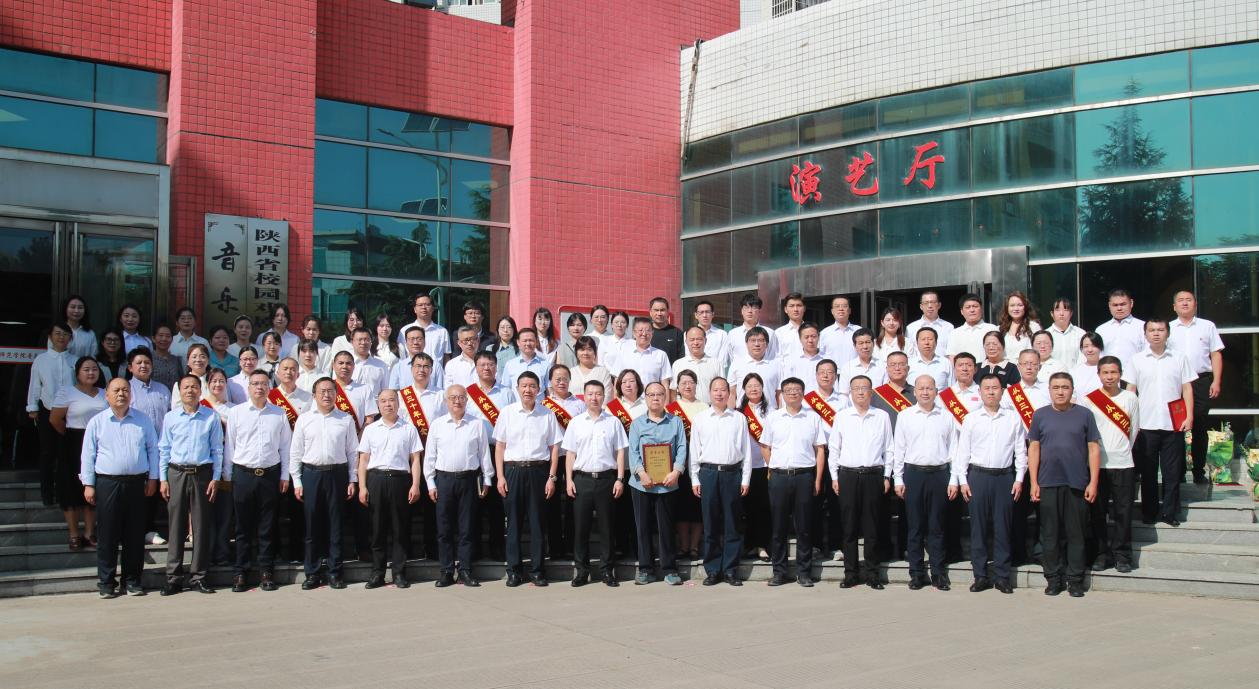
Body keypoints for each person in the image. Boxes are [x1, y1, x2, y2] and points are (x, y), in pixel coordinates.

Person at [80, 377, 159, 598]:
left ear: (131, 395)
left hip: (137, 483)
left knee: (135, 534)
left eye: (125, 390)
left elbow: (153, 450)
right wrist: (88, 484)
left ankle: (132, 581)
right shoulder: (97, 422)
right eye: (116, 390)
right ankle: (106, 582)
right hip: (107, 483)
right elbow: (88, 454)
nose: (121, 394)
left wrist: (153, 478)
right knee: (108, 535)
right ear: (107, 395)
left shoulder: (143, 420)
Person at [1028, 372, 1101, 598]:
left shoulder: (1085, 414)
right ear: (1049, 390)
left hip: (1076, 483)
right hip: (1048, 482)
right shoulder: (1040, 415)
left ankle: (1075, 580)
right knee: (1050, 534)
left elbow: (1093, 449)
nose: (1060, 392)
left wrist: (1093, 482)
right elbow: (1034, 448)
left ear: (1072, 390)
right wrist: (1033, 482)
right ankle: (1053, 579)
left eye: (1065, 387)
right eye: (1056, 387)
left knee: (1076, 534)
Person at [953, 373, 1027, 594]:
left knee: (1003, 527)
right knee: (978, 528)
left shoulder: (1013, 418)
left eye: (995, 388)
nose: (991, 392)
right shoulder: (971, 419)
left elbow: (1020, 452)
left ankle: (1002, 576)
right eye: (987, 388)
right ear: (980, 392)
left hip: (1004, 478)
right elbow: (962, 452)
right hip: (978, 477)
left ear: (1002, 391)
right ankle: (980, 575)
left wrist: (1019, 479)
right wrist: (963, 480)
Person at [223, 370, 293, 593]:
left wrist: (284, 475)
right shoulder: (237, 413)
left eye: (263, 383)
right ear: (249, 387)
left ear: (269, 387)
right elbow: (230, 446)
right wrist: (228, 476)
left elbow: (286, 447)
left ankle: (266, 571)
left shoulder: (279, 413)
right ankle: (240, 572)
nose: (259, 387)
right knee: (242, 527)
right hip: (243, 475)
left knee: (267, 526)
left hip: (270, 475)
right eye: (255, 383)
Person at [494, 371, 563, 586]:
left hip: (538, 472)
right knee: (513, 524)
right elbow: (500, 446)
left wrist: (552, 477)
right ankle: (514, 570)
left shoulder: (547, 414)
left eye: (532, 386)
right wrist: (500, 477)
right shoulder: (507, 413)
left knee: (537, 523)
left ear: (539, 389)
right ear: (517, 388)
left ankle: (537, 571)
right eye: (524, 386)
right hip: (513, 471)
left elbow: (554, 448)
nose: (528, 390)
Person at [288, 377, 357, 590]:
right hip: (311, 475)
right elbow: (295, 452)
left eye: (330, 391)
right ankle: (312, 572)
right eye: (322, 391)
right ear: (314, 395)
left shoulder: (345, 419)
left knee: (336, 526)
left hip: (337, 474)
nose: (327, 395)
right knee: (312, 526)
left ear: (336, 394)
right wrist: (297, 480)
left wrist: (352, 479)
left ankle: (335, 572)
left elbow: (352, 452)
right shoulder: (304, 419)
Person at [158, 374, 223, 595]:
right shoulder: (171, 417)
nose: (190, 391)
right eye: (186, 387)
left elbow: (217, 449)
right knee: (176, 526)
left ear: (200, 390)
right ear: (180, 391)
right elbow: (164, 449)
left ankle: (199, 577)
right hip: (176, 472)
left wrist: (216, 477)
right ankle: (173, 577)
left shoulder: (211, 417)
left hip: (202, 474)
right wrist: (163, 478)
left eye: (194, 387)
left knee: (201, 526)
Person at [1128, 318, 1196, 527]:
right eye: (1152, 330)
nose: (1156, 333)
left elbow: (1187, 389)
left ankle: (1169, 513)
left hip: (1173, 424)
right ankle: (1149, 512)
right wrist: (1129, 420)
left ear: (1168, 333)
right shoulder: (1137, 360)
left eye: (1160, 329)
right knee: (1148, 473)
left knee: (1172, 473)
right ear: (1145, 334)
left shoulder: (1179, 358)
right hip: (1145, 425)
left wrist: (1189, 416)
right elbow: (1130, 391)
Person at [759, 377, 826, 587]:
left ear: (803, 393)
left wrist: (817, 479)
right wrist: (773, 466)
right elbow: (765, 446)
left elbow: (820, 449)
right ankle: (779, 572)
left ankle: (804, 572)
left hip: (804, 476)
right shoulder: (774, 418)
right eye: (788, 390)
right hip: (779, 477)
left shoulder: (813, 417)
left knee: (804, 527)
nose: (793, 393)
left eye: (797, 389)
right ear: (782, 394)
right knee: (778, 527)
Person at [892, 375, 956, 591]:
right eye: (921, 388)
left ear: (936, 391)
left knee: (937, 526)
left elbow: (953, 450)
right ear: (915, 392)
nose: (925, 392)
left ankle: (938, 573)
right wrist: (898, 478)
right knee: (915, 526)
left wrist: (954, 479)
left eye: (929, 388)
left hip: (940, 475)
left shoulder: (946, 417)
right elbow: (899, 449)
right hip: (914, 475)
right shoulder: (905, 416)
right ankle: (916, 573)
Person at [829, 375, 893, 590]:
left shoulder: (882, 416)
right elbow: (834, 449)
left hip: (873, 475)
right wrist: (834, 477)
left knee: (871, 526)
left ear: (871, 392)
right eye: (856, 388)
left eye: (864, 388)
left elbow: (889, 448)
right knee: (849, 528)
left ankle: (872, 573)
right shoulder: (842, 416)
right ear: (850, 392)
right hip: (847, 475)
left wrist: (887, 476)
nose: (860, 392)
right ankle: (850, 573)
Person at [426, 384, 494, 588]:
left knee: (467, 528)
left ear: (467, 400)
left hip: (468, 480)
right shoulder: (437, 424)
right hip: (444, 480)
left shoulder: (476, 424)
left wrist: (487, 478)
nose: (457, 401)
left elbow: (484, 453)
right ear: (446, 401)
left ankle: (465, 570)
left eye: (461, 397)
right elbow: (430, 456)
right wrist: (430, 482)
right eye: (453, 397)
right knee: (444, 528)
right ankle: (446, 571)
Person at [562, 379, 627, 587]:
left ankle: (607, 571)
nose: (594, 398)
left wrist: (619, 479)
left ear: (604, 396)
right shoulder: (576, 422)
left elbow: (620, 452)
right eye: (590, 394)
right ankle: (582, 571)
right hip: (582, 480)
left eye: (598, 393)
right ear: (584, 396)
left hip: (607, 480)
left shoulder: (613, 422)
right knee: (581, 528)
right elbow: (570, 454)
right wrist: (569, 480)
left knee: (607, 528)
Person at [357, 387, 423, 589]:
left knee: (399, 528)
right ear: (378, 405)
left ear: (398, 403)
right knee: (377, 529)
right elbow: (363, 460)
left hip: (400, 480)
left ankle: (399, 573)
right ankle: (377, 573)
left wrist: (415, 484)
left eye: (392, 400)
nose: (388, 404)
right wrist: (362, 486)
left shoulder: (408, 428)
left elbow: (415, 459)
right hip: (376, 480)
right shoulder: (370, 429)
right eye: (384, 401)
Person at [690, 377, 751, 586]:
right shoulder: (700, 418)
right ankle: (713, 570)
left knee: (732, 523)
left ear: (729, 393)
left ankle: (731, 570)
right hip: (708, 474)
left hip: (732, 474)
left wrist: (746, 478)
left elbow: (746, 451)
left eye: (723, 390)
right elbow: (694, 450)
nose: (719, 393)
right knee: (711, 523)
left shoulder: (738, 418)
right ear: (709, 393)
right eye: (715, 390)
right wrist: (694, 478)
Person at [1082, 356, 1140, 574]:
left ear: (1120, 374)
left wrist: (1122, 449)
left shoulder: (1130, 398)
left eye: (1113, 372)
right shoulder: (1089, 400)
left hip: (1123, 463)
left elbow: (1134, 430)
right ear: (1098, 374)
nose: (1109, 377)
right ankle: (1100, 554)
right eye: (1105, 372)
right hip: (1097, 465)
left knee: (1123, 512)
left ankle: (1122, 555)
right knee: (1097, 512)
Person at [627, 382, 688, 585]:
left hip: (668, 483)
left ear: (665, 397)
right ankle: (645, 569)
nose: (655, 398)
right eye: (651, 395)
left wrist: (677, 471)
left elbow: (682, 447)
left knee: (666, 527)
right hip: (641, 484)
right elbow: (633, 452)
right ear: (645, 398)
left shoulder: (676, 422)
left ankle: (669, 569)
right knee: (643, 527)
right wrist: (641, 473)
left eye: (659, 394)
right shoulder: (637, 424)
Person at [1168, 290, 1225, 484]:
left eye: (1188, 300)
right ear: (1174, 306)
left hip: (1201, 381)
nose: (1185, 303)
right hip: (1176, 383)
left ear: (1195, 304)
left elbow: (1216, 354)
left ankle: (1199, 471)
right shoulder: (1168, 328)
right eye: (1180, 300)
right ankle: (1178, 471)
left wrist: (1216, 381)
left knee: (1199, 426)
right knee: (1177, 428)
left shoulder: (1207, 326)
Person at [49, 356, 105, 550]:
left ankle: (89, 533)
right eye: (86, 369)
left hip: (99, 444)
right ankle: (74, 534)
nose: (91, 373)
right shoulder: (67, 392)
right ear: (78, 373)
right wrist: (72, 437)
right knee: (70, 489)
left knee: (93, 487)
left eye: (94, 369)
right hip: (73, 443)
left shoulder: (104, 393)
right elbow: (55, 419)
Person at [465, 351, 516, 562]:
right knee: (473, 504)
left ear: (496, 367)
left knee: (497, 503)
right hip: (473, 453)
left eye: (490, 364)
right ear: (476, 368)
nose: (486, 368)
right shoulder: (468, 393)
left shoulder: (507, 393)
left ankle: (497, 549)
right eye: (482, 364)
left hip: (498, 451)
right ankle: (474, 550)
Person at [399, 351, 447, 560]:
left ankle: (432, 548)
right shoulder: (402, 396)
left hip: (431, 455)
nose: (422, 370)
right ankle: (406, 550)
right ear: (411, 369)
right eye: (418, 366)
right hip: (406, 457)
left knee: (431, 503)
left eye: (426, 366)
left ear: (432, 370)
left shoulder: (440, 395)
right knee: (406, 504)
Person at [125, 347, 173, 546]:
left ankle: (150, 530)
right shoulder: (125, 389)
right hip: (137, 449)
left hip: (162, 448)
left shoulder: (163, 389)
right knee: (139, 491)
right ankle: (135, 530)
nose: (144, 366)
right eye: (139, 363)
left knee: (158, 488)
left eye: (147, 363)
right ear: (130, 367)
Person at [29, 322, 76, 506]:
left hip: (70, 412)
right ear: (50, 337)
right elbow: (35, 385)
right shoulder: (41, 360)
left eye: (65, 334)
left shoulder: (75, 360)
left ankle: (63, 492)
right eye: (57, 333)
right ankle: (47, 494)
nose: (61, 337)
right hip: (47, 408)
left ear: (70, 338)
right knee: (47, 452)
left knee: (65, 454)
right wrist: (32, 407)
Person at [542, 365, 585, 560]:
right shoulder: (544, 405)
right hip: (551, 458)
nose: (561, 382)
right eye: (557, 379)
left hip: (573, 458)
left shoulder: (579, 404)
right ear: (550, 381)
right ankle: (554, 547)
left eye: (565, 378)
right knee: (550, 502)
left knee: (572, 502)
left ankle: (570, 546)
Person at [668, 370, 708, 560]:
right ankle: (683, 546)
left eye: (691, 382)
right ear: (677, 386)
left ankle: (694, 546)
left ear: (696, 384)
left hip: (700, 463)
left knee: (698, 507)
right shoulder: (671, 409)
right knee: (682, 508)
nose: (687, 386)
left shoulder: (704, 407)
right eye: (683, 382)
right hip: (679, 465)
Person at [738, 373, 773, 562]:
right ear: (744, 389)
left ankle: (762, 545)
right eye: (749, 386)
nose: (753, 389)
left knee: (764, 507)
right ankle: (749, 545)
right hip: (745, 466)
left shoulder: (771, 411)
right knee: (747, 507)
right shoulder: (739, 413)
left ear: (762, 387)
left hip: (765, 465)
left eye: (757, 385)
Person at [728, 327, 782, 408]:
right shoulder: (736, 364)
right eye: (753, 340)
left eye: (760, 340)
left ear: (767, 344)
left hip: (770, 413)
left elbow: (779, 394)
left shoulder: (776, 365)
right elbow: (732, 394)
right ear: (746, 343)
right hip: (744, 413)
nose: (757, 344)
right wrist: (731, 413)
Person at [1095, 289, 1146, 375]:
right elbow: (1097, 356)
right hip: (1108, 377)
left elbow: (1147, 353)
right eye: (1115, 305)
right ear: (1109, 305)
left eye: (1123, 304)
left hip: (1134, 376)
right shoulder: (1101, 330)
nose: (1119, 308)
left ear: (1131, 303)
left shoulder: (1143, 327)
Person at [330, 350, 379, 432]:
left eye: (348, 363)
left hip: (357, 437)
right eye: (341, 363)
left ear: (353, 366)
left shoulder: (365, 389)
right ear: (333, 365)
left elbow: (369, 418)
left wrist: (359, 438)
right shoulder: (325, 388)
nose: (344, 366)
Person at [672, 326, 722, 403]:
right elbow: (673, 391)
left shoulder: (715, 363)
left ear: (705, 340)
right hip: (684, 409)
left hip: (709, 408)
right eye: (692, 340)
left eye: (699, 339)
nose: (695, 343)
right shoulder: (678, 364)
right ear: (686, 342)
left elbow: (722, 389)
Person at [398, 293, 451, 362]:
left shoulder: (442, 331)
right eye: (420, 305)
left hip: (435, 368)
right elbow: (401, 354)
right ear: (415, 309)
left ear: (433, 308)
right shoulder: (404, 330)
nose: (424, 307)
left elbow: (446, 357)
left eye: (427, 304)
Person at [619, 318, 671, 388]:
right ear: (634, 333)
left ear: (652, 333)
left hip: (652, 394)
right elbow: (617, 380)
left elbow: (665, 383)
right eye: (640, 330)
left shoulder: (661, 355)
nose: (644, 334)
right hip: (629, 395)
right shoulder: (624, 352)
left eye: (647, 330)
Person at [728, 293, 778, 364]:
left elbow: (773, 357)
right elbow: (731, 357)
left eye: (754, 308)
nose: (750, 311)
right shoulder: (733, 334)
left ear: (759, 311)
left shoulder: (770, 333)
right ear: (742, 311)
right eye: (746, 307)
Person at [946, 293, 999, 361]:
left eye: (975, 306)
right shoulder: (955, 333)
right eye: (968, 307)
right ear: (962, 311)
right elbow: (952, 357)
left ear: (982, 309)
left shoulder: (991, 329)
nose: (972, 310)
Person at [781, 322, 825, 393]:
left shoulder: (827, 359)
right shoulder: (791, 360)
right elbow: (787, 385)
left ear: (818, 337)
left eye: (813, 336)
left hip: (822, 399)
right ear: (800, 339)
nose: (810, 340)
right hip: (798, 398)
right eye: (806, 337)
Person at [907, 290, 955, 355]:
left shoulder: (948, 327)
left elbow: (951, 352)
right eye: (926, 303)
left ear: (939, 305)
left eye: (933, 302)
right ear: (921, 306)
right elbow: (909, 352)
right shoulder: (911, 328)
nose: (929, 306)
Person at [388, 324, 434, 391]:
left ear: (425, 342)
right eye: (411, 339)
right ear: (406, 343)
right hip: (406, 398)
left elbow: (439, 392)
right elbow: (393, 393)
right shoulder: (398, 368)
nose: (415, 342)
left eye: (419, 339)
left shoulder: (435, 366)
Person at [819, 296, 860, 368]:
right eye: (837, 306)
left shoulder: (859, 331)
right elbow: (819, 356)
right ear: (832, 311)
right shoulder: (824, 333)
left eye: (844, 306)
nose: (841, 309)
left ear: (849, 310)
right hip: (833, 373)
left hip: (855, 372)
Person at [998, 291, 1041, 355]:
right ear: (1007, 308)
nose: (1016, 309)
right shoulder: (1000, 329)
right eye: (1012, 305)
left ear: (1025, 307)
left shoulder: (1033, 326)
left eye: (1020, 305)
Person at [1047, 298, 1086, 369]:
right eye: (1057, 310)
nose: (1061, 314)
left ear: (1071, 313)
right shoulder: (1046, 335)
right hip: (1053, 374)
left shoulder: (1080, 333)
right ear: (1052, 314)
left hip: (1076, 374)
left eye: (1066, 310)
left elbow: (1084, 359)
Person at [907, 327, 950, 391]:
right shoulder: (909, 363)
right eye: (923, 339)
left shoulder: (946, 363)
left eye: (930, 339)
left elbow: (951, 387)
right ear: (917, 343)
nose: (926, 342)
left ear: (936, 342)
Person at [349, 327, 388, 397]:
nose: (363, 343)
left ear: (371, 342)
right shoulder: (345, 364)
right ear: (352, 342)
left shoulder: (381, 365)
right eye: (360, 340)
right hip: (350, 402)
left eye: (366, 339)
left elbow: (385, 390)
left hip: (374, 403)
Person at [694, 300, 731, 374]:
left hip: (715, 374)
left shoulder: (722, 334)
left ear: (713, 314)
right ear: (696, 315)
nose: (705, 315)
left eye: (707, 312)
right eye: (701, 312)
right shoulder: (688, 335)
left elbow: (722, 361)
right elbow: (688, 356)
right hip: (694, 373)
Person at [648, 297, 685, 363]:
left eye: (662, 310)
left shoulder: (677, 333)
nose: (659, 313)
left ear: (667, 312)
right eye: (656, 310)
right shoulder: (645, 333)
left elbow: (682, 359)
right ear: (650, 312)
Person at [1070, 332, 1105, 400]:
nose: (1090, 350)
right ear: (1081, 349)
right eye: (1086, 346)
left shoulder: (1109, 369)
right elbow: (1072, 397)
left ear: (1100, 347)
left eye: (1094, 346)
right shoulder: (1074, 371)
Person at [773, 292, 807, 362]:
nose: (795, 309)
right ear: (785, 309)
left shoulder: (812, 332)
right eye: (791, 306)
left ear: (804, 308)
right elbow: (776, 357)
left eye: (799, 305)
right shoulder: (778, 333)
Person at [149, 324, 182, 391]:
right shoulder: (148, 359)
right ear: (153, 338)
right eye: (160, 335)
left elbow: (181, 381)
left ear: (172, 339)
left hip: (174, 396)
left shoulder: (176, 360)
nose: (164, 339)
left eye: (168, 336)